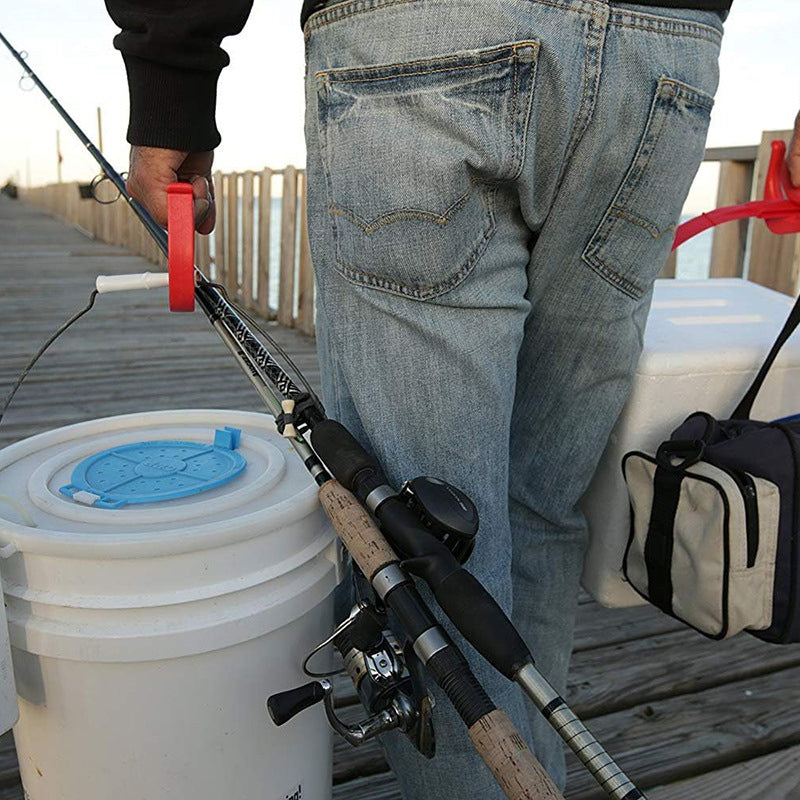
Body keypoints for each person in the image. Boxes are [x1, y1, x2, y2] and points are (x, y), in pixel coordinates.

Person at [103, 1, 798, 797]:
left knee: (421, 553)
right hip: (662, 60)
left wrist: (170, 86)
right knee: (540, 512)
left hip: (420, 43)